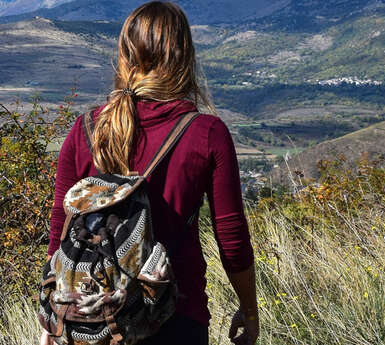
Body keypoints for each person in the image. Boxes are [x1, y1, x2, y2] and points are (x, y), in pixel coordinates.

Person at [40, 2, 258, 345]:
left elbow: (61, 230)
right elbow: (231, 238)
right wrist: (249, 310)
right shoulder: (205, 133)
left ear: (125, 55)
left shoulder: (85, 131)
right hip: (175, 317)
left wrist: (51, 318)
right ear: (184, 56)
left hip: (92, 321)